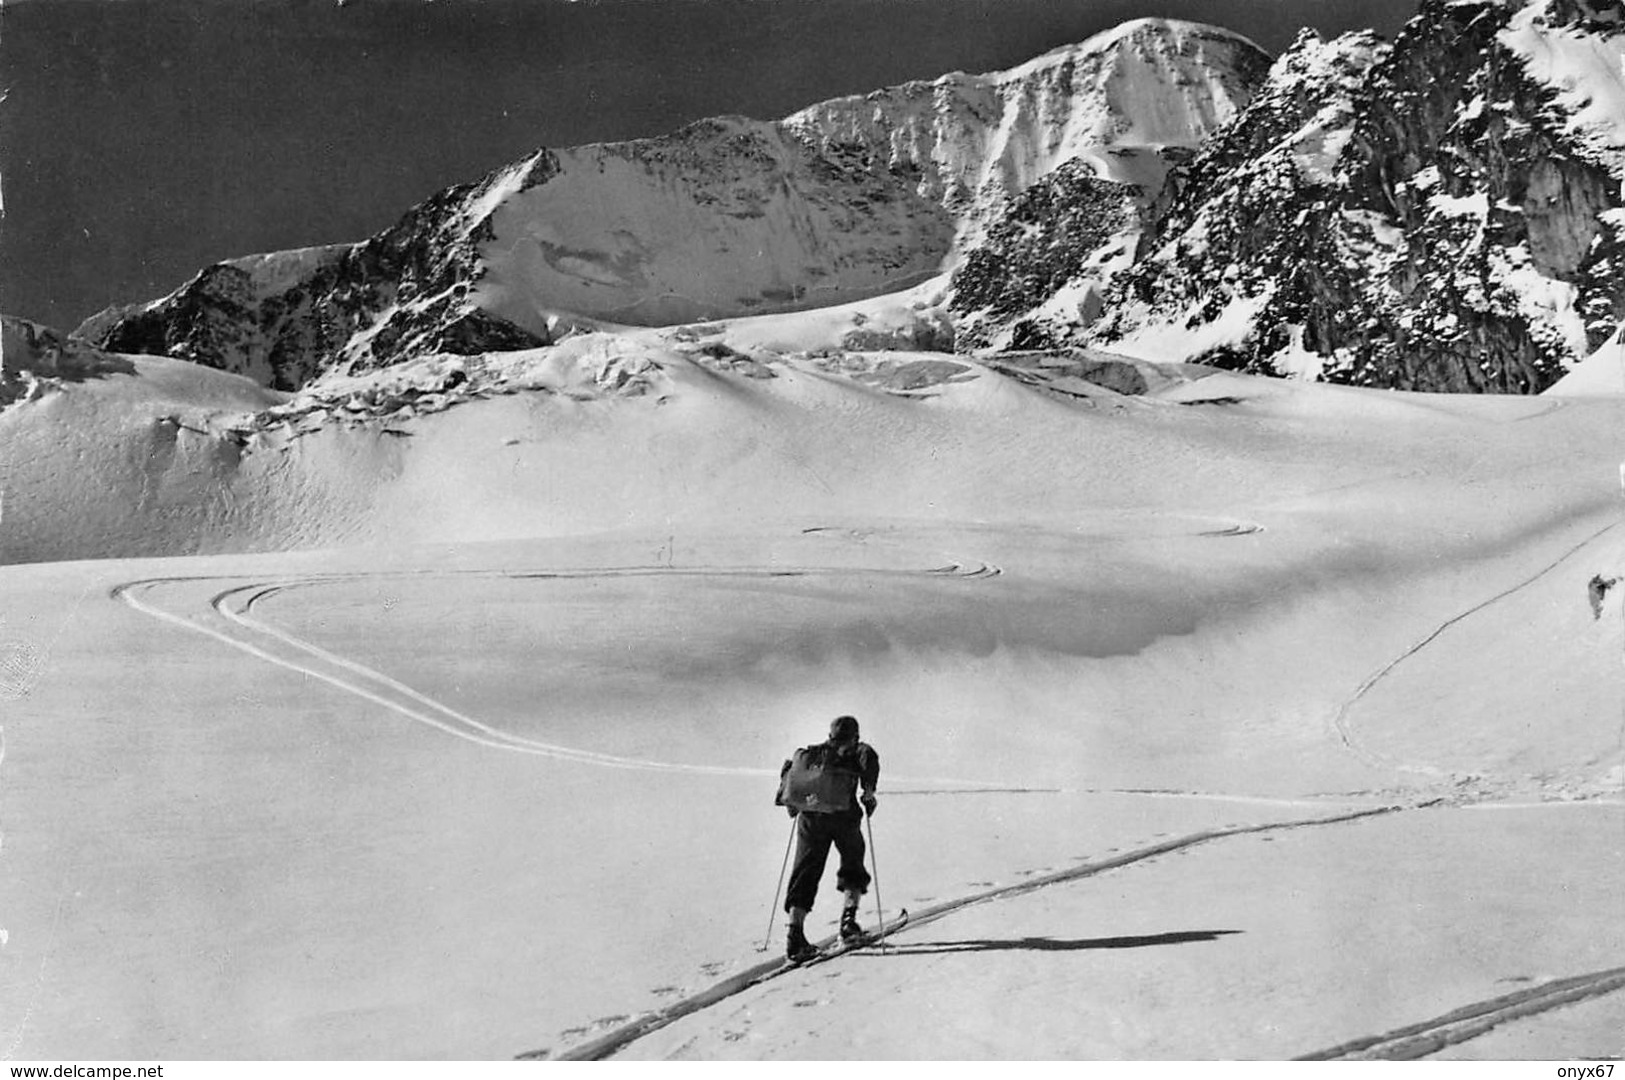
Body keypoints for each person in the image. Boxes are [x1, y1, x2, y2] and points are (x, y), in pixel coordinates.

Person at [774, 714, 880, 961]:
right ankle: (848, 923)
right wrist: (869, 792)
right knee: (853, 866)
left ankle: (794, 936)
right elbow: (868, 760)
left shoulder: (812, 755)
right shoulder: (859, 750)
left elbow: (790, 774)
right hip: (844, 817)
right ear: (854, 736)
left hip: (810, 818)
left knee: (805, 872)